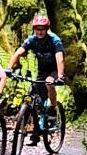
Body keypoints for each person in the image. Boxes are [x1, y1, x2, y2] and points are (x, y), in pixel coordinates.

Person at [6, 15, 64, 144]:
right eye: (37, 29)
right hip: (42, 72)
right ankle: (35, 132)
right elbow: (18, 53)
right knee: (33, 99)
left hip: (54, 71)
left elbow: (59, 58)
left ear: (47, 29)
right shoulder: (32, 40)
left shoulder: (54, 40)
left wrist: (59, 76)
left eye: (42, 29)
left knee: (49, 83)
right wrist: (9, 68)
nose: (40, 31)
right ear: (34, 29)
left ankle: (53, 109)